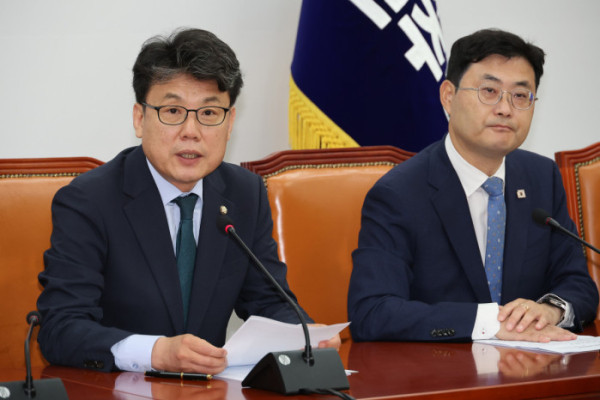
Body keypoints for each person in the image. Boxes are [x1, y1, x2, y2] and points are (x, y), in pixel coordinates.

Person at [37, 28, 339, 374]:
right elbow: (61, 328)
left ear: (230, 123)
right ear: (140, 118)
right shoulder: (88, 201)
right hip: (117, 388)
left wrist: (303, 334)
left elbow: (269, 300)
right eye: (172, 111)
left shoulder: (245, 193)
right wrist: (155, 352)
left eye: (209, 114)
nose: (191, 131)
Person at [347, 29, 598, 343]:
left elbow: (578, 283)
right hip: (441, 368)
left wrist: (549, 310)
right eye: (489, 91)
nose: (505, 108)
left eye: (521, 96)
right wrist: (488, 322)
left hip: (530, 364)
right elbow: (372, 311)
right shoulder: (398, 194)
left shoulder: (541, 177)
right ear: (448, 97)